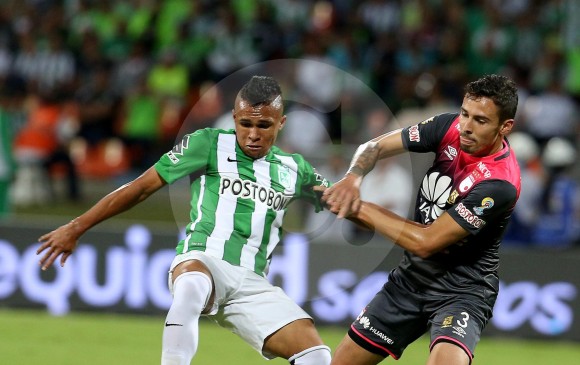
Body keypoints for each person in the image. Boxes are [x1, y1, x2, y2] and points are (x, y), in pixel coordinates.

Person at [36, 76, 333, 365]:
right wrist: (77, 226)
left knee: (317, 355)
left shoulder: (295, 169)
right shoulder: (208, 143)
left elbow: (344, 205)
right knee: (191, 287)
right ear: (234, 118)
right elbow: (140, 188)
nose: (253, 134)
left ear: (280, 123)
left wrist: (362, 195)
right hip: (204, 258)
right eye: (245, 123)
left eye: (264, 125)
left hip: (253, 283)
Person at [319, 74, 521, 365]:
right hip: (410, 280)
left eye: (480, 120)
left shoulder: (500, 183)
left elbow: (427, 242)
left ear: (505, 127)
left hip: (463, 291)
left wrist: (355, 207)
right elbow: (372, 147)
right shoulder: (448, 127)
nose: (466, 126)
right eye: (465, 114)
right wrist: (352, 178)